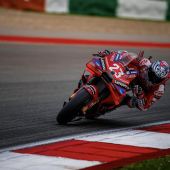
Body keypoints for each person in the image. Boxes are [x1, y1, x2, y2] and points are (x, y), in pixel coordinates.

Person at [76, 50, 169, 112]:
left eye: (156, 79)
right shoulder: (145, 63)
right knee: (95, 68)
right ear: (150, 68)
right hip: (128, 75)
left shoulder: (159, 90)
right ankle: (82, 84)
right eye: (152, 74)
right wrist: (109, 54)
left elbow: (144, 107)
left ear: (162, 80)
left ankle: (108, 106)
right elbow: (124, 55)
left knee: (129, 101)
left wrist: (140, 95)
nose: (152, 79)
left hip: (139, 89)